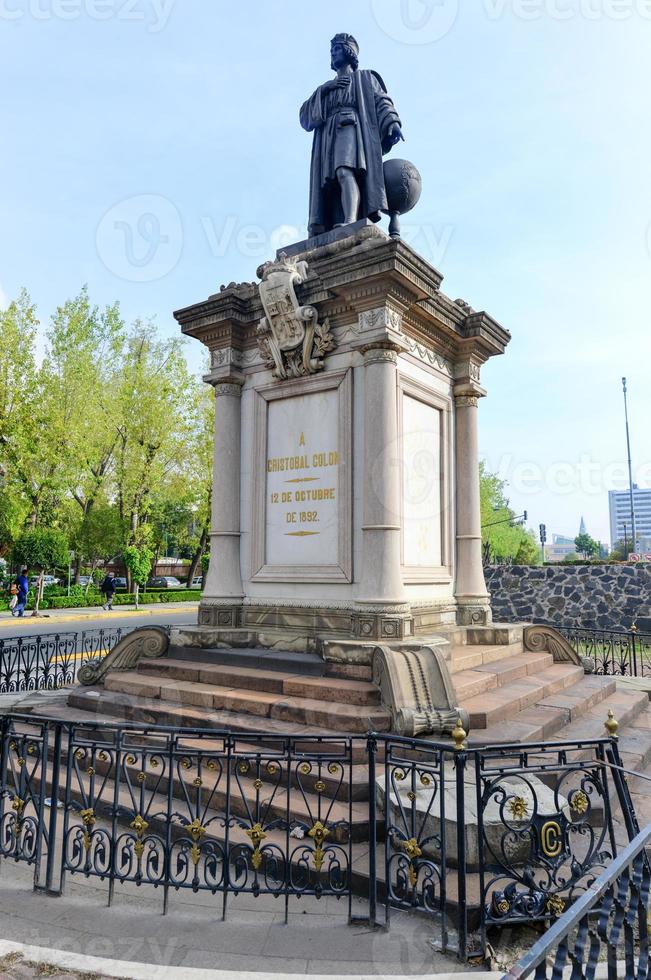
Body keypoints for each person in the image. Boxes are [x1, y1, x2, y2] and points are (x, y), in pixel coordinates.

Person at [300, 33, 403, 236]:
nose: (333, 54)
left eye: (337, 49)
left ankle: (350, 220)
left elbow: (381, 100)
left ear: (349, 52)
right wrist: (325, 89)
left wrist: (392, 121)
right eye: (331, 51)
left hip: (349, 126)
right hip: (328, 133)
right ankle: (336, 221)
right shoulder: (326, 89)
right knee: (330, 183)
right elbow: (305, 118)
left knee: (344, 171)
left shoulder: (365, 78)